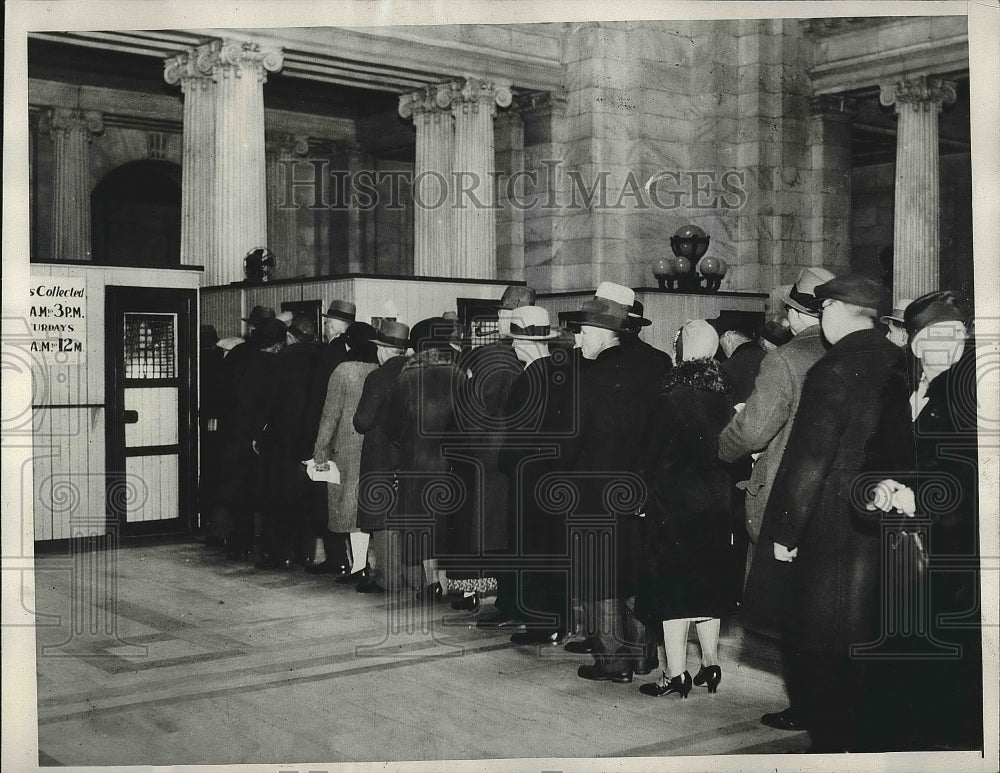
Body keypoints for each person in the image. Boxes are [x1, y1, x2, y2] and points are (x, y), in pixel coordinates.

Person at [763, 275, 901, 752]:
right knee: (871, 631)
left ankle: (834, 743)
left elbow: (809, 459)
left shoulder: (832, 369)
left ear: (838, 312)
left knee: (822, 641)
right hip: (886, 513)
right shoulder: (899, 361)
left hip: (833, 520)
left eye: (823, 311)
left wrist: (785, 529)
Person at [857, 290, 981, 751]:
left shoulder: (973, 399)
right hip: (898, 556)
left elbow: (974, 478)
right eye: (935, 334)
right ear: (912, 341)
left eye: (956, 334)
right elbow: (872, 461)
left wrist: (921, 498)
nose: (948, 344)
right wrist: (877, 489)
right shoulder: (898, 393)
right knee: (894, 668)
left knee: (944, 681)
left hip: (954, 562)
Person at [719, 267, 833, 732]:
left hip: (786, 496)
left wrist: (722, 446)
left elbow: (752, 429)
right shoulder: (853, 353)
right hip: (835, 498)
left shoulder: (786, 359)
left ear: (790, 313)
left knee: (789, 604)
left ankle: (805, 702)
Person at [565, 283, 660, 684]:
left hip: (593, 488)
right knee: (634, 572)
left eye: (584, 330)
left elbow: (572, 439)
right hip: (640, 486)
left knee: (599, 575)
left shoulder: (591, 374)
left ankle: (612, 661)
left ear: (606, 331)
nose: (578, 336)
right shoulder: (652, 366)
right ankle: (641, 657)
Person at [636, 319, 735, 698]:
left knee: (673, 590)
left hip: (674, 506)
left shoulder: (671, 398)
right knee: (707, 589)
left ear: (681, 351)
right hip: (716, 504)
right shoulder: (725, 397)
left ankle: (674, 675)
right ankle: (710, 666)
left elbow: (648, 455)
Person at [497, 306, 575, 645]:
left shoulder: (527, 380)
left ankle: (543, 624)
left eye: (515, 341)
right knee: (554, 550)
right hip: (556, 478)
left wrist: (506, 465)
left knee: (534, 551)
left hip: (529, 480)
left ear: (526, 342)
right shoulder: (563, 370)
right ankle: (560, 619)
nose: (512, 347)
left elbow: (517, 437)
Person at [455, 285, 531, 625]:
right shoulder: (535, 355)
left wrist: (475, 446)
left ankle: (504, 602)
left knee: (496, 532)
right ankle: (507, 599)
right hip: (515, 458)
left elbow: (473, 411)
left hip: (492, 458)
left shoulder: (491, 357)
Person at [384, 317, 467, 600]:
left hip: (416, 464)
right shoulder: (458, 374)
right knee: (446, 523)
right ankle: (448, 582)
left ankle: (433, 583)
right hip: (451, 462)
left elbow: (392, 426)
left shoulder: (406, 378)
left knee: (422, 526)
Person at [312, 321, 380, 580]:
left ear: (349, 343)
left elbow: (330, 415)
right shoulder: (379, 369)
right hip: (374, 447)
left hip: (346, 447)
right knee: (365, 509)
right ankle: (362, 565)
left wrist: (320, 452)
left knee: (349, 511)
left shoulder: (343, 370)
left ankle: (358, 566)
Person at [217, 316, 287, 560]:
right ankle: (264, 544)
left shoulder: (237, 356)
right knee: (263, 491)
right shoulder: (276, 365)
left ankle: (238, 541)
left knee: (238, 490)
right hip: (260, 437)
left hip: (234, 432)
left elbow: (222, 392)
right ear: (277, 343)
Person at [255, 318, 322, 569]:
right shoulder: (321, 358)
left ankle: (278, 554)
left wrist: (259, 434)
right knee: (306, 498)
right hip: (311, 439)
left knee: (277, 498)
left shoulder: (281, 361)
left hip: (281, 440)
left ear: (291, 338)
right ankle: (305, 553)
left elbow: (268, 403)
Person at [353, 320, 411, 594]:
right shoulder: (418, 372)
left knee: (383, 516)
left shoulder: (378, 378)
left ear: (384, 350)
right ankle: (415, 577)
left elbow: (362, 421)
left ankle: (387, 577)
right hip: (411, 454)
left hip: (381, 454)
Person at [304, 299, 357, 573]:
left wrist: (317, 441)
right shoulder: (359, 352)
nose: (325, 326)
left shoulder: (327, 355)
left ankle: (337, 558)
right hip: (355, 437)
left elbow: (318, 400)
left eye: (327, 322)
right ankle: (355, 559)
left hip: (331, 436)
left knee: (328, 500)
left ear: (335, 325)